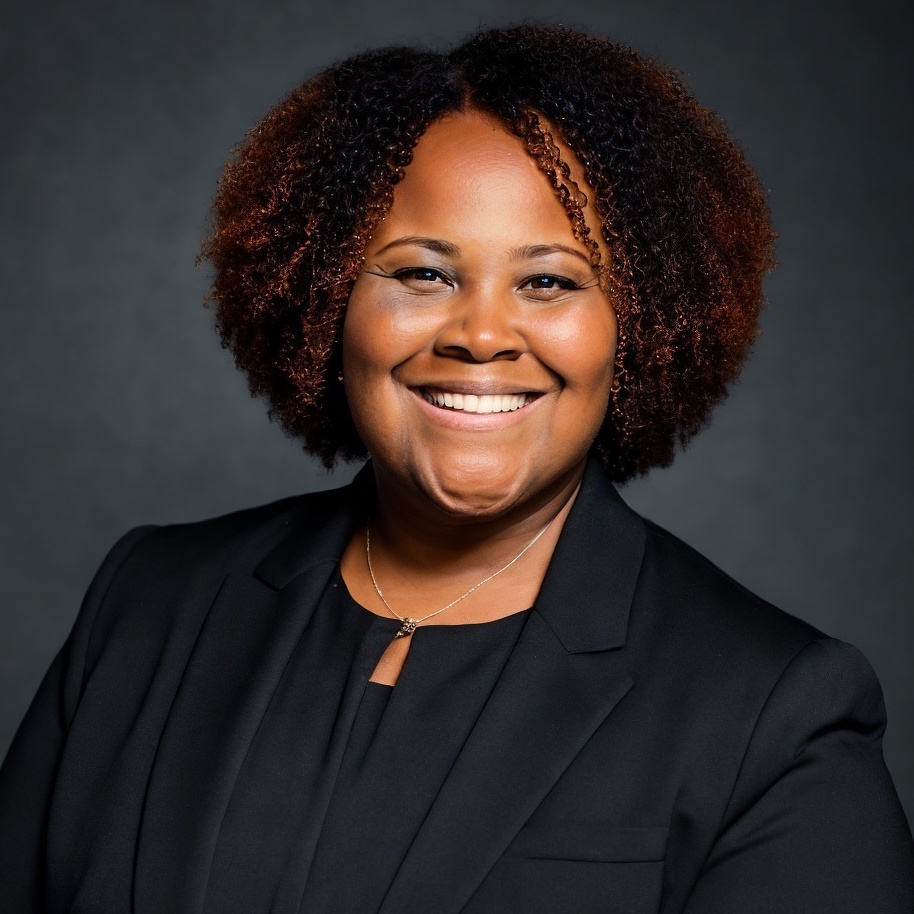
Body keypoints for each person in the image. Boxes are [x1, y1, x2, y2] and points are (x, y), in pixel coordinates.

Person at [0, 23, 911, 913]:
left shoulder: (771, 712)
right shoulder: (148, 604)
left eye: (549, 280)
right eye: (423, 274)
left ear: (642, 325)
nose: (479, 334)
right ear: (322, 299)